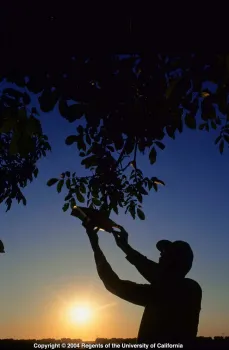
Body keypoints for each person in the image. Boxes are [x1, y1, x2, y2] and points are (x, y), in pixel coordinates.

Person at [83, 221, 202, 345]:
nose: (160, 254)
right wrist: (122, 246)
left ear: (176, 262)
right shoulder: (166, 290)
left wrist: (97, 245)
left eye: (166, 253)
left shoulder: (188, 289)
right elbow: (113, 283)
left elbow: (114, 283)